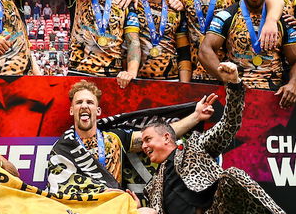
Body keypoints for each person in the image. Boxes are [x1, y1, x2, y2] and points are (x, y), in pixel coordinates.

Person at [103, 63, 296, 214]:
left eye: (148, 139)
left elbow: (229, 125)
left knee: (233, 174)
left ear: (167, 137)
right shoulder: (152, 187)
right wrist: (138, 206)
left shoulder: (196, 147)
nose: (145, 146)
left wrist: (234, 85)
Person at [46, 79, 215, 198]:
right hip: (81, 207)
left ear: (98, 111)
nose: (84, 105)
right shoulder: (62, 147)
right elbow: (60, 190)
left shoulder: (115, 138)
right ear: (71, 110)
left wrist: (196, 117)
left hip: (114, 206)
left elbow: (159, 136)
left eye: (90, 102)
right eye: (79, 102)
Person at [202, 0, 296, 105]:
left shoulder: (282, 20)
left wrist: (293, 84)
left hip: (274, 96)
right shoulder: (226, 16)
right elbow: (205, 50)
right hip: (236, 93)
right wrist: (226, 77)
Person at [51, 0, 141, 82]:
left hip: (112, 77)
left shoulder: (124, 1)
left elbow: (133, 42)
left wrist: (131, 73)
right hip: (78, 75)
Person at [133, 0, 188, 81]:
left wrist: (185, 85)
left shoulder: (175, 9)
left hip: (170, 81)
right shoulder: (132, 4)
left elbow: (183, 51)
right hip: (136, 80)